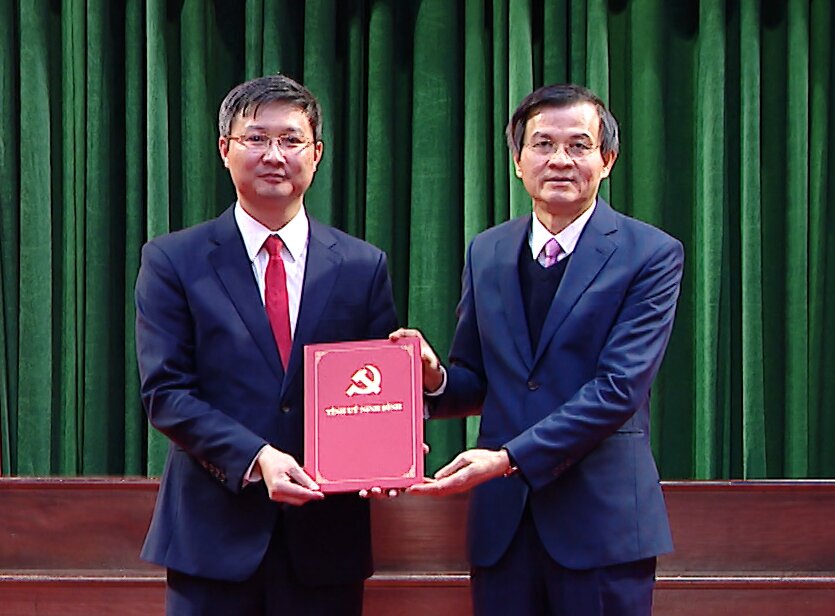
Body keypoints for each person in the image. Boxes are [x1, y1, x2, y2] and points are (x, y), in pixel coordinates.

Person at [391, 83, 684, 615]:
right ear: (519, 162)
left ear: (608, 160)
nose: (560, 160)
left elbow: (618, 389)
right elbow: (478, 380)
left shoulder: (651, 254)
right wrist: (432, 377)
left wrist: (506, 459)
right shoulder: (488, 250)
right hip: (503, 529)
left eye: (579, 145)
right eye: (543, 145)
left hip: (602, 525)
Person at [135, 74, 398, 615]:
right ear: (225, 149)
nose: (274, 154)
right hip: (211, 541)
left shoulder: (361, 265)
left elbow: (373, 386)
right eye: (256, 139)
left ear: (317, 153)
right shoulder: (173, 261)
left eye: (291, 139)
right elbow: (166, 393)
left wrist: (389, 448)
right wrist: (257, 457)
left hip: (327, 544)